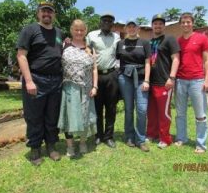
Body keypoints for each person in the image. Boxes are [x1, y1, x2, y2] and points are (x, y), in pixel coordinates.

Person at [16, 1, 64, 165]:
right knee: (34, 116)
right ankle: (35, 148)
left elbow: (63, 50)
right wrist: (29, 81)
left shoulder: (59, 32)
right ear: (38, 13)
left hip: (56, 80)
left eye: (50, 12)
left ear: (54, 15)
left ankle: (51, 146)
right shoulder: (29, 30)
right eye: (43, 11)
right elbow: (21, 56)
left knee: (52, 115)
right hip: (36, 79)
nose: (46, 14)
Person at [58, 19, 97, 157]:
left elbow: (94, 69)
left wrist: (95, 86)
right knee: (69, 116)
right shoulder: (64, 46)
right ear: (71, 30)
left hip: (86, 88)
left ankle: (82, 142)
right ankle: (70, 146)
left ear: (85, 31)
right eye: (76, 29)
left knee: (84, 116)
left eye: (82, 30)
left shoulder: (90, 48)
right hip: (69, 87)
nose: (79, 32)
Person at [174, 12, 208, 154]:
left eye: (188, 22)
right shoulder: (178, 41)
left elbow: (207, 59)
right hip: (181, 80)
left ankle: (201, 144)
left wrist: (207, 78)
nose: (185, 24)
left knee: (200, 114)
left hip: (197, 80)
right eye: (183, 22)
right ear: (180, 24)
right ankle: (181, 138)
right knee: (180, 113)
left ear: (192, 23)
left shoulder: (201, 38)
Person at [86, 14, 120, 148]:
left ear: (112, 24)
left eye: (110, 21)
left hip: (112, 75)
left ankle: (109, 136)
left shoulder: (117, 37)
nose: (107, 23)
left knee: (111, 108)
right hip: (96, 76)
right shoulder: (91, 35)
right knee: (97, 107)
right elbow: (87, 49)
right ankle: (98, 135)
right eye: (104, 20)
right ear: (100, 22)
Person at [146, 14, 180, 149]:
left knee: (164, 113)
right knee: (152, 112)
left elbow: (176, 59)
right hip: (151, 82)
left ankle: (165, 138)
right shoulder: (149, 42)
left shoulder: (170, 39)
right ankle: (151, 134)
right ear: (152, 25)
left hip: (164, 82)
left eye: (160, 23)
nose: (158, 26)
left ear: (164, 26)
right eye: (155, 23)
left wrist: (171, 77)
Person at [116, 20, 151, 152]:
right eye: (129, 27)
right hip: (125, 78)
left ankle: (141, 139)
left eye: (133, 27)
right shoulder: (120, 44)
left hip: (142, 79)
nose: (131, 29)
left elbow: (148, 62)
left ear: (138, 29)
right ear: (125, 29)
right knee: (129, 108)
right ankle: (129, 136)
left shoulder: (145, 43)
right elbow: (117, 61)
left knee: (142, 109)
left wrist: (147, 80)